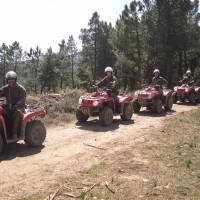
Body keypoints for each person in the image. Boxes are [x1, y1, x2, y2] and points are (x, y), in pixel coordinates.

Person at [0, 71, 26, 139]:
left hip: (19, 107)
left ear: (15, 79)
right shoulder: (5, 88)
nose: (10, 80)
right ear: (7, 80)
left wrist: (16, 105)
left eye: (12, 79)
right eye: (9, 79)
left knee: (17, 113)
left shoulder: (20, 88)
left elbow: (22, 99)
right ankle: (4, 131)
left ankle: (14, 133)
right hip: (9, 106)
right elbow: (0, 92)